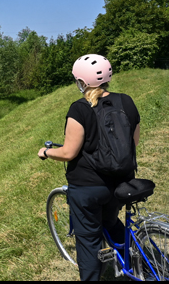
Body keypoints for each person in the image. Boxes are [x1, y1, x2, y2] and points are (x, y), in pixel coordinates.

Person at [38, 54, 140, 281]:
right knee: (110, 221)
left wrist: (45, 152)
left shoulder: (80, 109)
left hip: (88, 188)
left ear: (81, 82)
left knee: (88, 240)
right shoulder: (126, 102)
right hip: (121, 183)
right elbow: (133, 144)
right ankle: (132, 261)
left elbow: (68, 152)